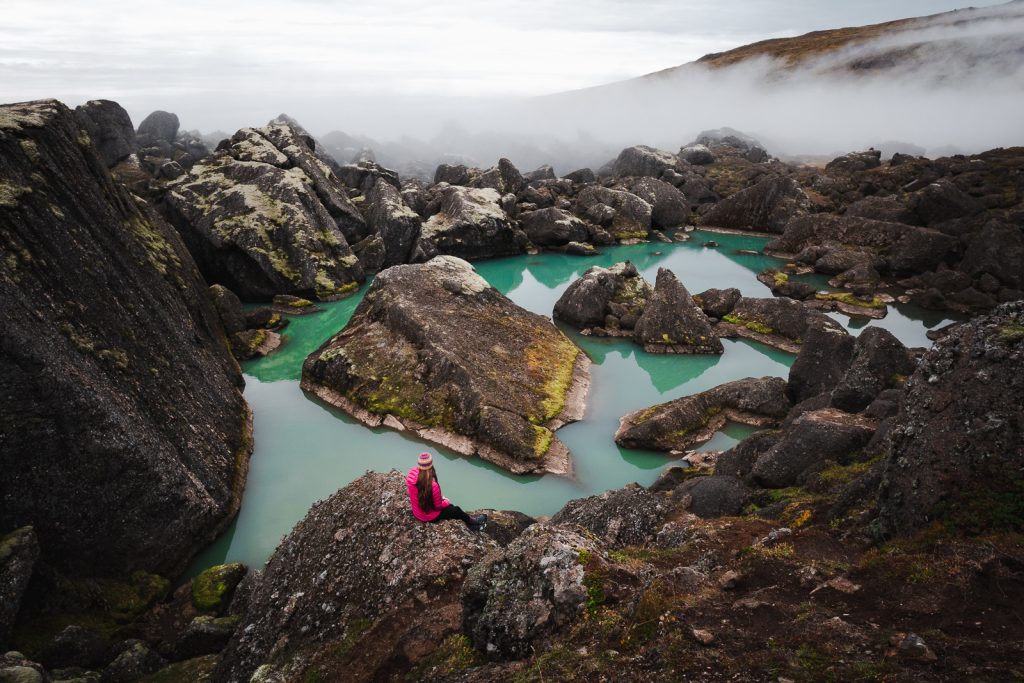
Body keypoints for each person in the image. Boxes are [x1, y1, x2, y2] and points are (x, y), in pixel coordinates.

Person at [407, 452, 487, 531]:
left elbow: (420, 496)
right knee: (456, 510)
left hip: (417, 513)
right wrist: (446, 501)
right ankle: (472, 523)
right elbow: (437, 507)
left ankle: (471, 520)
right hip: (428, 517)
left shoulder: (411, 477)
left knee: (450, 508)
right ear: (431, 465)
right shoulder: (432, 485)